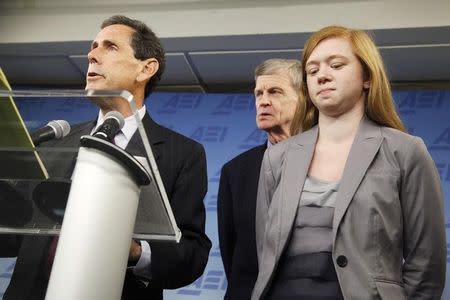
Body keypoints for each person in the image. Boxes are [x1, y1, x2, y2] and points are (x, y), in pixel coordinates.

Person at [3, 15, 211, 300]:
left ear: (146, 68)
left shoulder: (182, 154)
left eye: (109, 47)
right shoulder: (55, 141)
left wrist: (134, 251)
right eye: (93, 46)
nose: (91, 55)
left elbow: (192, 254)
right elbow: (13, 238)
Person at [252, 25, 446, 300]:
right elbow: (266, 250)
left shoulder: (405, 151)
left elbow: (427, 267)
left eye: (336, 65)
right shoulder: (276, 157)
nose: (322, 76)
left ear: (366, 76)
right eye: (313, 70)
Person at [217, 58, 302, 300]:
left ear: (304, 99)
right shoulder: (235, 171)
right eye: (258, 93)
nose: (263, 101)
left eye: (275, 92)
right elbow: (232, 256)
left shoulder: (329, 162)